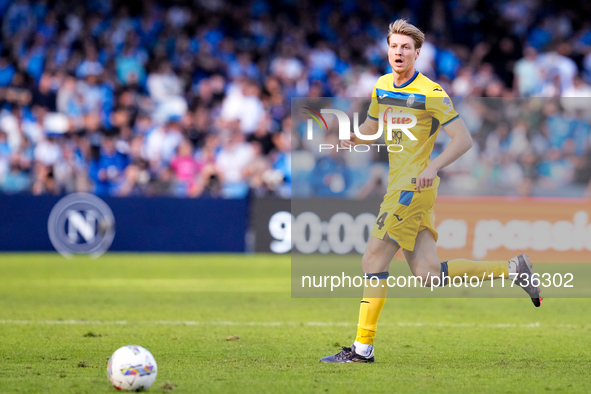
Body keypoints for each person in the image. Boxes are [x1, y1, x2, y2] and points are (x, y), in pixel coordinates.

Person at [320, 19, 541, 364]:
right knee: (428, 274)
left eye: (406, 47)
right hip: (402, 185)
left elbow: (464, 140)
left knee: (373, 259)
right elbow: (373, 126)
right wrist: (352, 137)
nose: (399, 51)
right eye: (394, 46)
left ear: (417, 53)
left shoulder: (431, 93)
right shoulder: (381, 86)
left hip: (413, 186)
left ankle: (362, 349)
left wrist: (433, 165)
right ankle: (514, 268)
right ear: (387, 50)